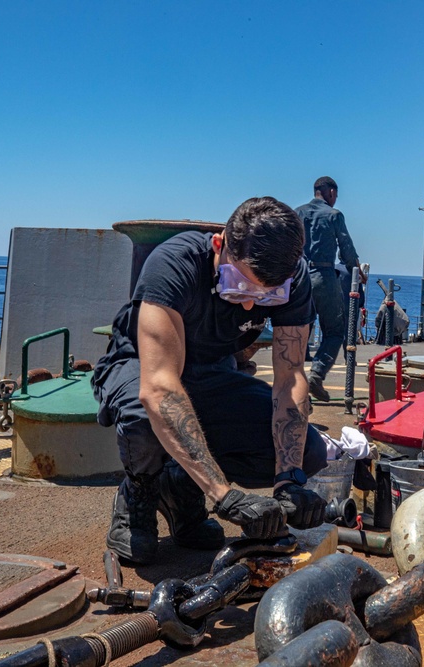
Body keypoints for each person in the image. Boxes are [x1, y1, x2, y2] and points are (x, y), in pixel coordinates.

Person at [92, 197, 328, 564]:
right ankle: (139, 494)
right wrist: (223, 495)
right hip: (141, 365)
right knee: (144, 416)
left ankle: (180, 484)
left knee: (310, 450)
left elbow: (290, 378)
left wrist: (290, 480)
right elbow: (159, 386)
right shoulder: (175, 264)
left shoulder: (293, 278)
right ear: (219, 245)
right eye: (241, 287)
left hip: (213, 372)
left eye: (267, 295)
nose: (251, 306)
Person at [296, 177, 362, 403]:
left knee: (296, 330)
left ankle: (293, 385)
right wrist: (357, 271)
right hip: (323, 277)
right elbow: (347, 250)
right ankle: (316, 374)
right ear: (331, 192)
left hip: (299, 278)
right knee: (334, 331)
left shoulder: (298, 213)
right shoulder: (334, 216)